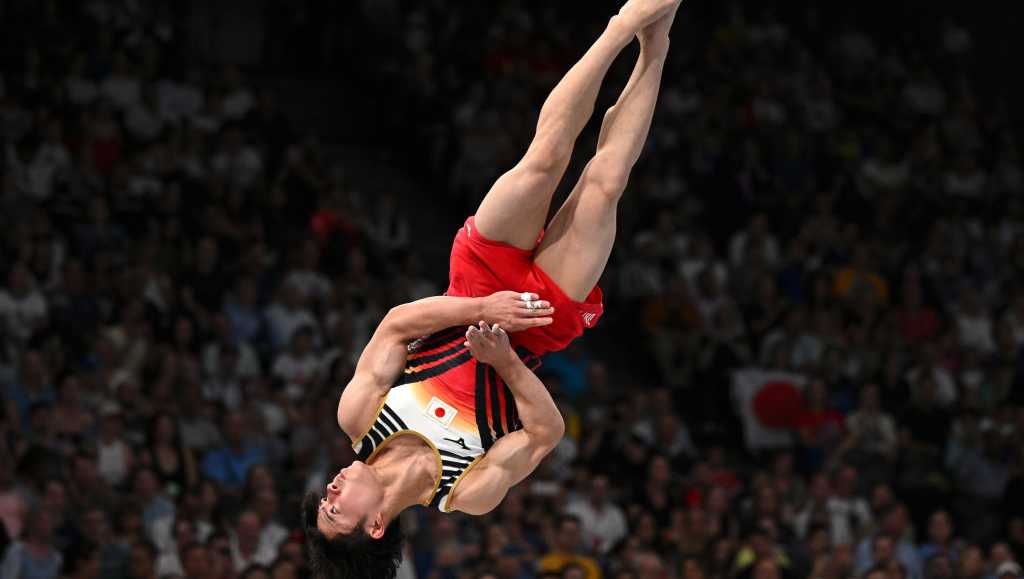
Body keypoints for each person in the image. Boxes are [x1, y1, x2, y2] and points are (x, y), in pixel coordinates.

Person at [303, 0, 684, 577]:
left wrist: (484, 306)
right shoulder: (467, 491)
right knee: (603, 185)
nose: (329, 491)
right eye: (336, 510)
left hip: (476, 283)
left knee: (545, 160)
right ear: (375, 525)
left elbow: (396, 324)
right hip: (536, 324)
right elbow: (546, 432)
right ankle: (656, 48)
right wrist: (504, 359)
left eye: (323, 501)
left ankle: (620, 27)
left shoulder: (359, 416)